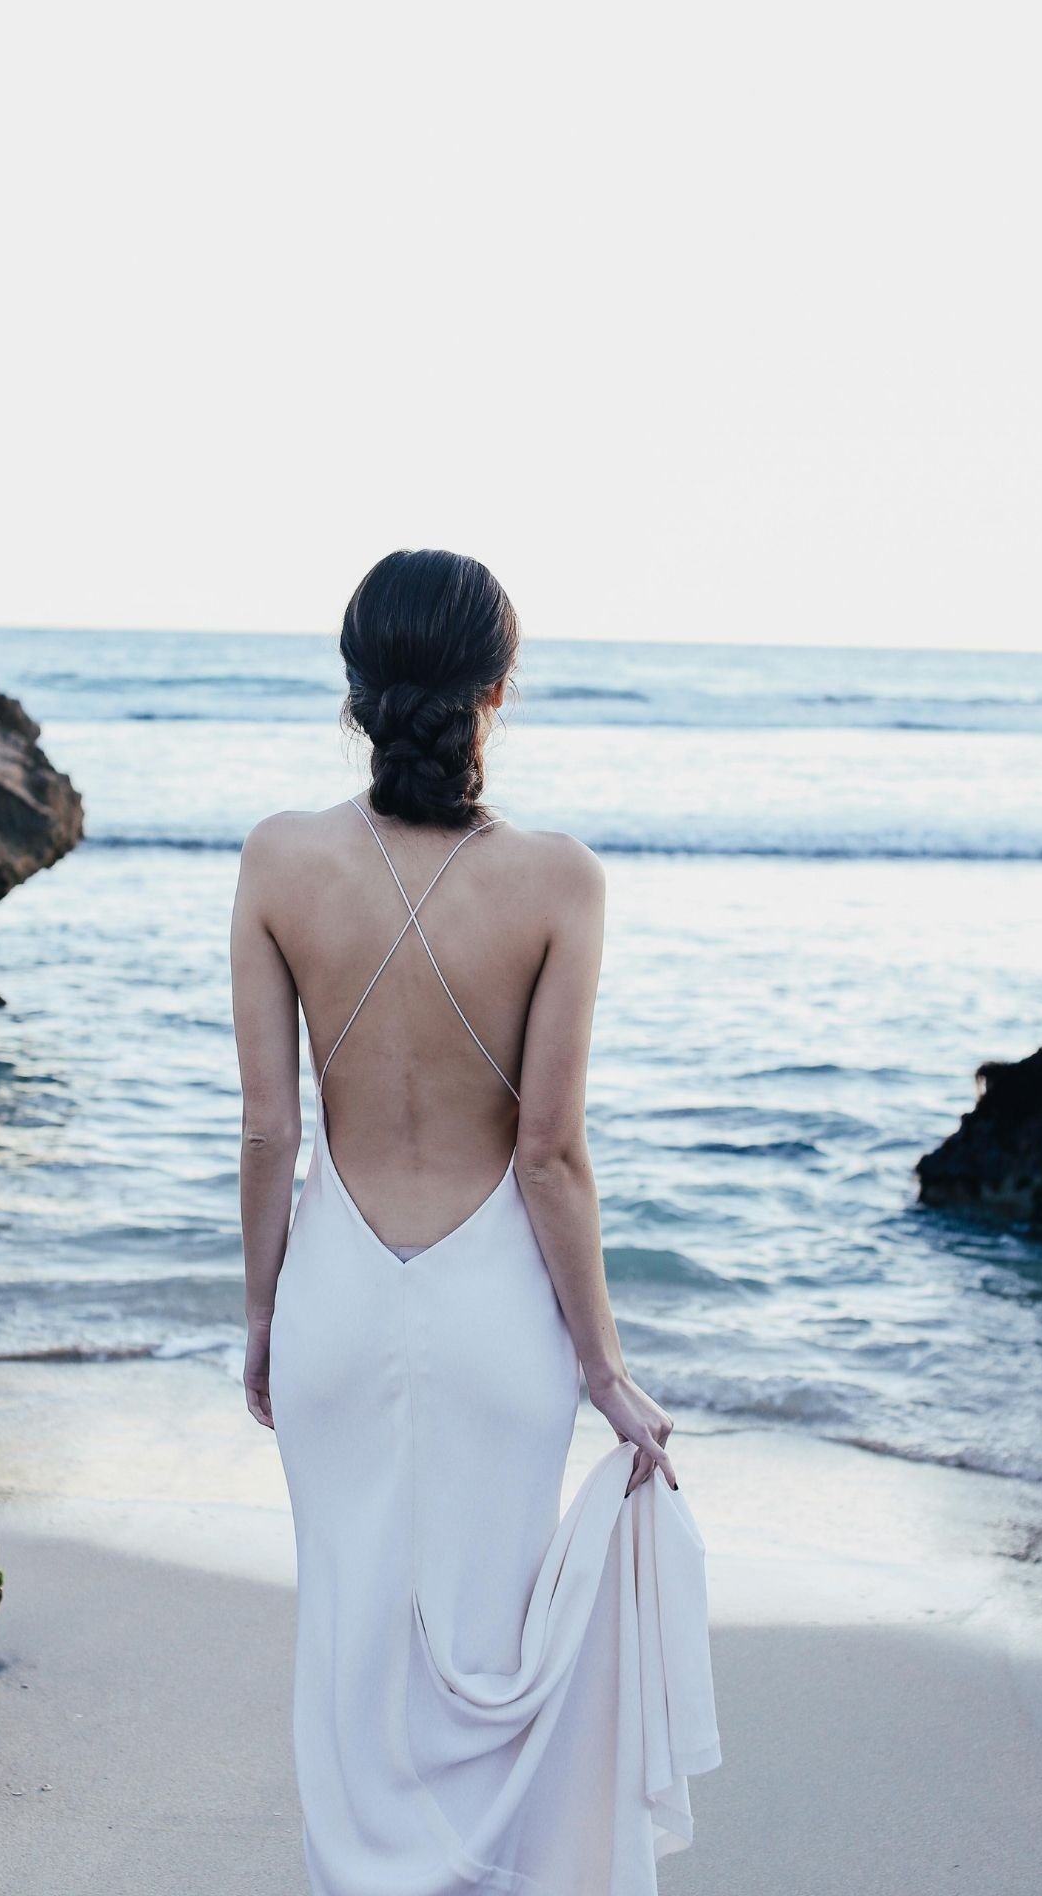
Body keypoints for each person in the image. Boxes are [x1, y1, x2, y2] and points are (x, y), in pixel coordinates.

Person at [229, 549, 719, 1896]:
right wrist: (605, 1371)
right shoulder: (560, 882)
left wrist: (266, 1317)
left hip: (332, 1297)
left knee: (347, 1636)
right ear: (497, 687)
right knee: (489, 1652)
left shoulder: (278, 860)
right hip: (499, 1319)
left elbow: (272, 1132)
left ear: (352, 683)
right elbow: (551, 1156)